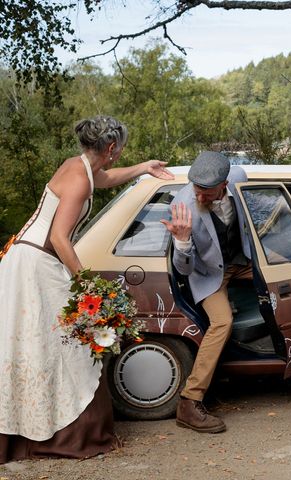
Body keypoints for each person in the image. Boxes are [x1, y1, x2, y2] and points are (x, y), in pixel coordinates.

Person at [0, 115, 174, 464]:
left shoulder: (76, 166)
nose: (120, 155)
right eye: (121, 150)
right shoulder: (79, 178)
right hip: (37, 263)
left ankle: (34, 430)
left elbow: (106, 178)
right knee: (71, 341)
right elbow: (59, 238)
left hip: (25, 256)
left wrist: (144, 168)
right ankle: (68, 434)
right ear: (111, 148)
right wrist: (86, 286)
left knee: (40, 344)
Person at [160, 151, 253, 434]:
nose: (198, 196)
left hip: (245, 261)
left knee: (290, 274)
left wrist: (289, 209)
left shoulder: (239, 178)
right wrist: (183, 241)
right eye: (196, 189)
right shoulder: (183, 206)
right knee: (222, 322)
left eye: (205, 192)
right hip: (211, 274)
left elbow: (255, 209)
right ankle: (190, 402)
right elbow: (184, 269)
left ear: (223, 184)